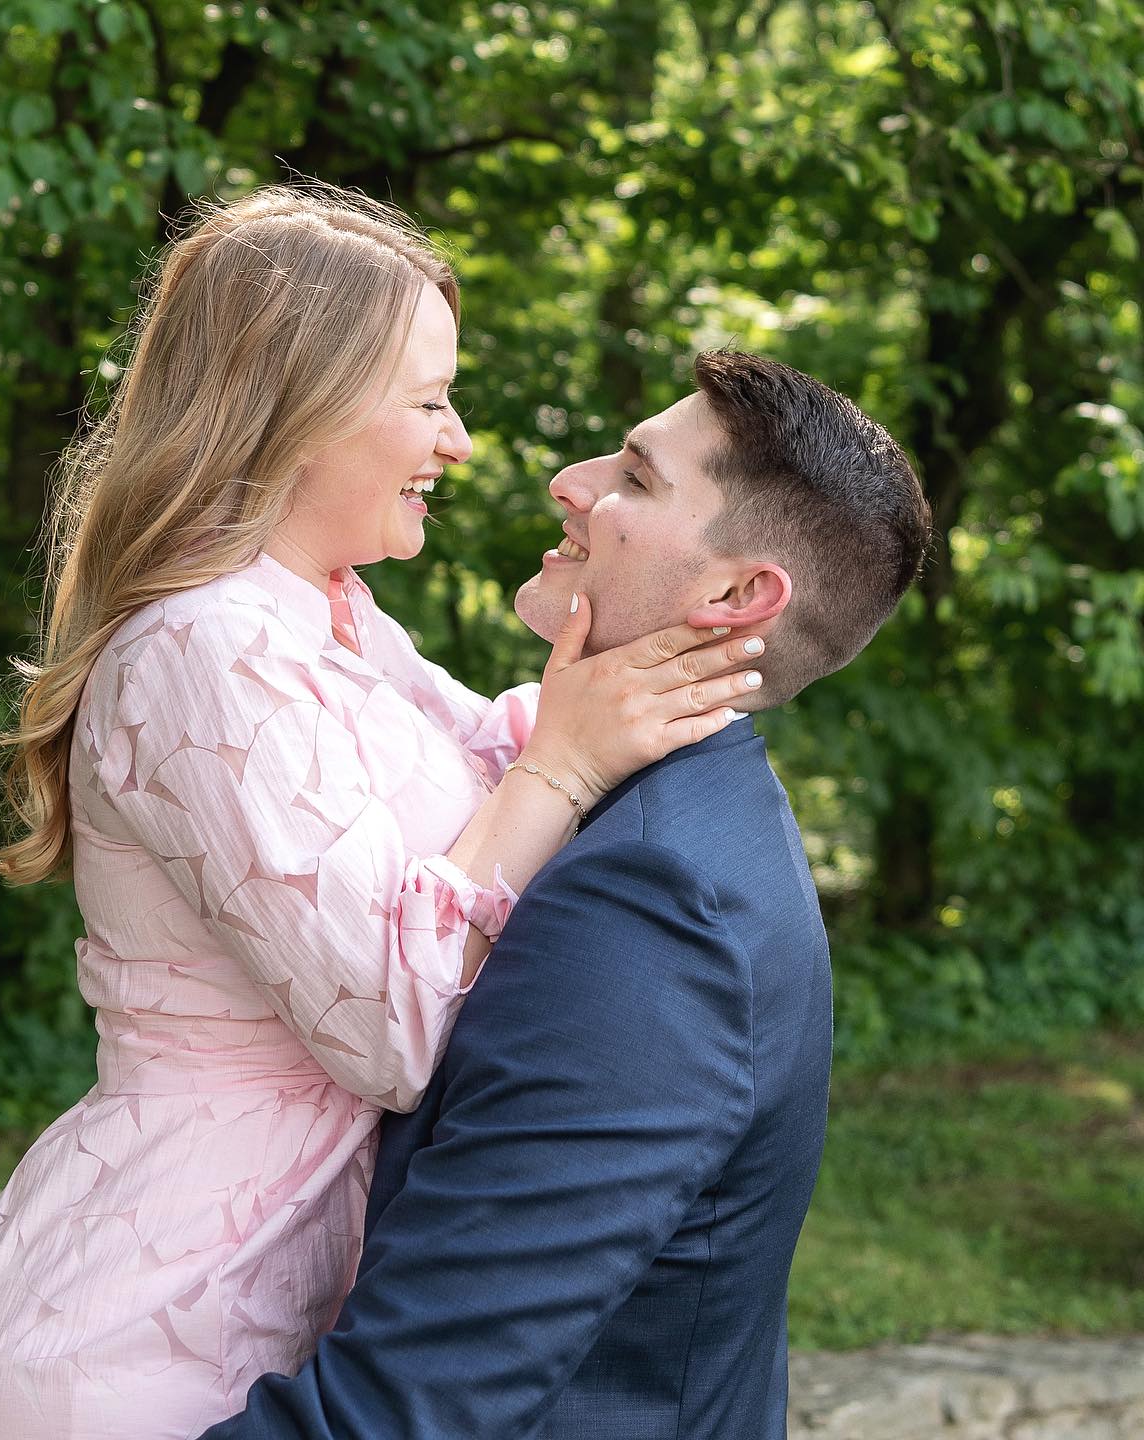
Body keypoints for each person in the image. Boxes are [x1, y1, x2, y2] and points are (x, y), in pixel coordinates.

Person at [0, 186, 766, 1439]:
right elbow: (389, 1024)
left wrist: (623, 689)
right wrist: (566, 767)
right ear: (294, 410)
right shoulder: (203, 653)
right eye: (429, 401)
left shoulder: (325, 614)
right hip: (139, 1340)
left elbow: (483, 755)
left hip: (259, 1314)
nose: (463, 441)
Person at [199, 350, 933, 1440]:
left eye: (635, 478)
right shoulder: (665, 814)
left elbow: (401, 1412)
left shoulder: (656, 906)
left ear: (736, 596)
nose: (573, 481)